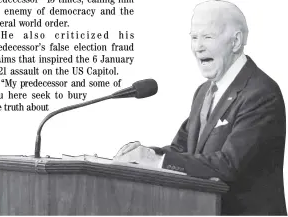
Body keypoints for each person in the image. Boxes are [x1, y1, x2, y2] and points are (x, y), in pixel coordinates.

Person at [114, 0, 286, 215]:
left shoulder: (260, 93)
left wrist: (157, 160)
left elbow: (229, 165)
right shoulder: (204, 91)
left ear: (236, 41)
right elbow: (181, 150)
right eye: (194, 37)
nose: (198, 46)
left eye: (207, 37)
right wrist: (146, 153)